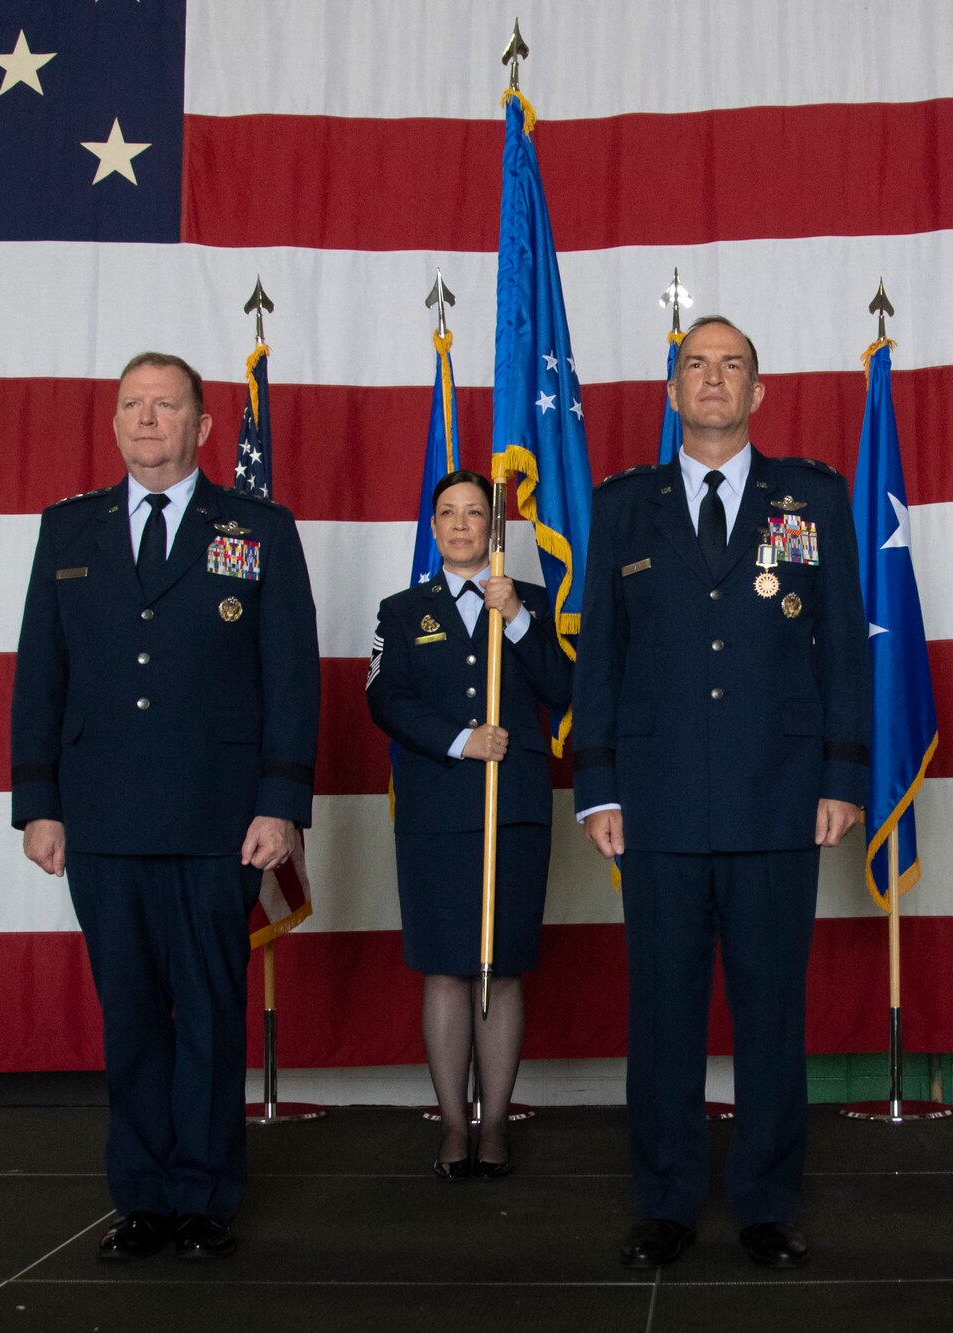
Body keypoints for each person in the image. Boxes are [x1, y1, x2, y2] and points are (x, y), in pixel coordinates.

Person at [573, 316, 872, 1270]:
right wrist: (597, 785)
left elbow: (844, 648)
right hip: (655, 800)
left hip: (779, 796)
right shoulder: (623, 504)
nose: (712, 380)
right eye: (694, 366)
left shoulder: (814, 498)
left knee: (772, 1013)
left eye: (730, 366)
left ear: (758, 391)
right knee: (661, 1011)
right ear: (671, 390)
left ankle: (766, 1204)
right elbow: (601, 661)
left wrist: (842, 774)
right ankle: (664, 1200)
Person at [11, 352, 321, 1262]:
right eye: (132, 406)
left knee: (211, 1012)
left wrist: (281, 801)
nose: (148, 420)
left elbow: (290, 676)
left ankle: (204, 1196)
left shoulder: (257, 527)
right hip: (100, 817)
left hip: (216, 819)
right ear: (115, 424)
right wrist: (39, 802)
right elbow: (41, 674)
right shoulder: (69, 530)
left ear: (203, 425)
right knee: (132, 1015)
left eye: (167, 405)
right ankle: (141, 1194)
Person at [366, 468, 573, 1179]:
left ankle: (495, 1125)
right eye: (448, 513)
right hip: (437, 811)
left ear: (495, 528)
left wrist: (513, 616)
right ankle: (454, 1123)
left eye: (475, 513)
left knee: (504, 966)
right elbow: (385, 698)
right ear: (433, 527)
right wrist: (460, 739)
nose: (461, 525)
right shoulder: (402, 609)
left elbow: (566, 687)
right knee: (447, 969)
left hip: (512, 810)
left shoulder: (533, 603)